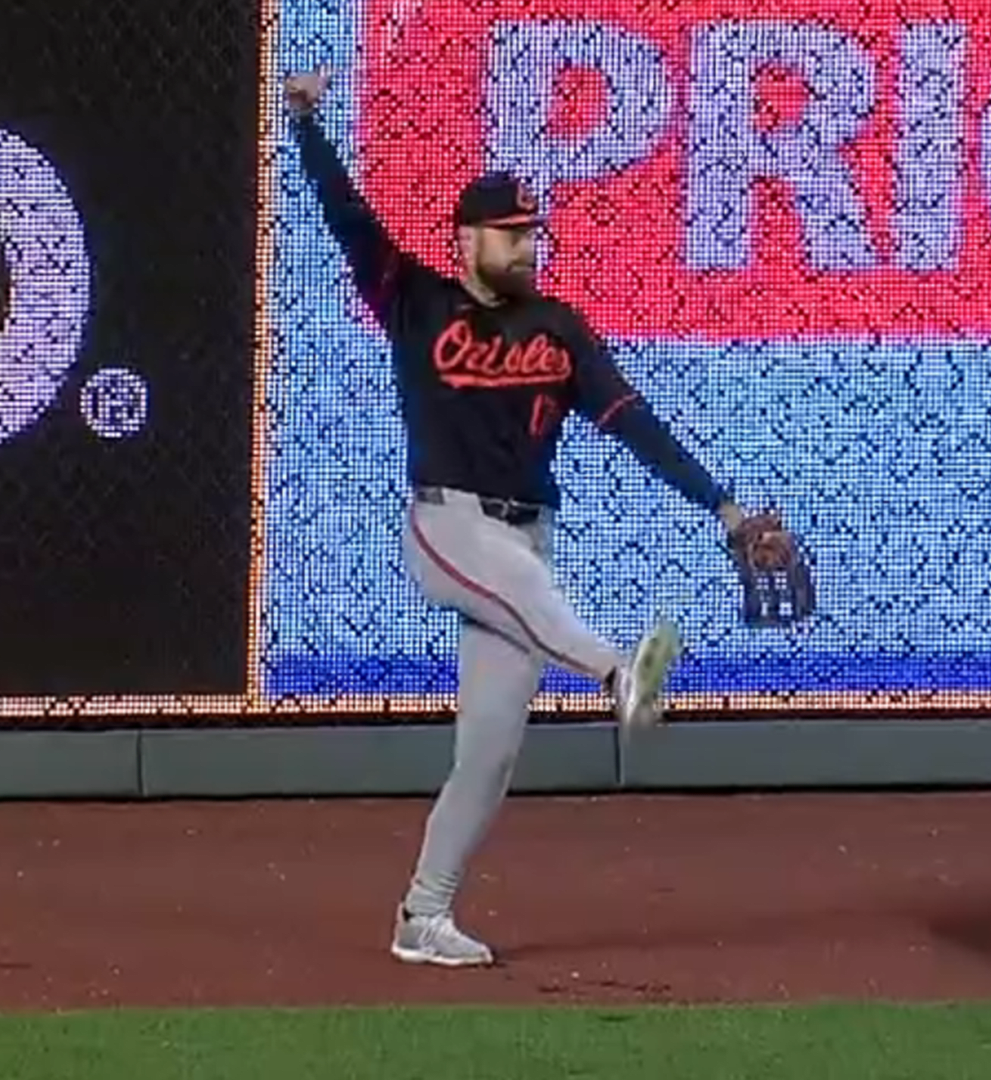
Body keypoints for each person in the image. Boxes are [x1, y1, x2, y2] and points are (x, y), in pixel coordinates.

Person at [284, 65, 750, 967]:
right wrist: (307, 128)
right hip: (447, 527)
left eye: (530, 232)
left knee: (490, 753)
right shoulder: (417, 300)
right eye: (508, 234)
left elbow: (633, 424)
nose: (526, 247)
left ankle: (423, 916)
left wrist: (720, 505)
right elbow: (349, 222)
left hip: (520, 535)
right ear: (466, 240)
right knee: (528, 585)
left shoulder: (559, 328)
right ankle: (617, 674)